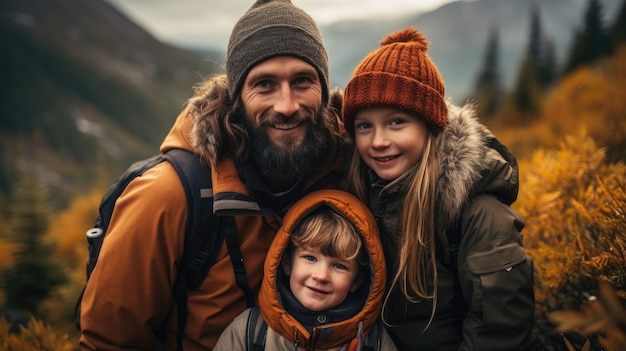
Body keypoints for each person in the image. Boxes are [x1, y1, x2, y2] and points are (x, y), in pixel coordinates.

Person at [78, 0, 349, 349]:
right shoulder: (168, 196)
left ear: (325, 92)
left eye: (303, 81)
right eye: (264, 84)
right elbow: (108, 342)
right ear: (236, 98)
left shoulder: (344, 167)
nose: (286, 105)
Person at [341, 27, 537, 350]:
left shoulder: (476, 212)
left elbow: (499, 330)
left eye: (396, 122)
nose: (378, 142)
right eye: (364, 126)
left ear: (430, 125)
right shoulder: (362, 190)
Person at [213, 189, 397, 350]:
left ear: (356, 281)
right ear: (287, 264)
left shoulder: (372, 341)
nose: (321, 276)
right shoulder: (250, 331)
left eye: (339, 266)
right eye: (310, 258)